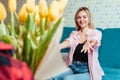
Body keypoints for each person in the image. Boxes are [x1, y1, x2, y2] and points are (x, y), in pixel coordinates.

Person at [50, 7, 105, 80]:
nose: (81, 20)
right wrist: (58, 46)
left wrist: (90, 44)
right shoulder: (74, 34)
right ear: (76, 20)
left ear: (89, 19)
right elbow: (68, 42)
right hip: (73, 67)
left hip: (87, 70)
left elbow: (95, 41)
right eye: (79, 17)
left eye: (84, 17)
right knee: (52, 76)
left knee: (67, 79)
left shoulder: (96, 33)